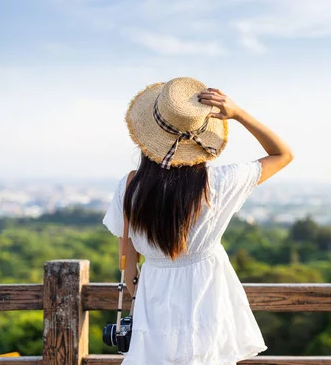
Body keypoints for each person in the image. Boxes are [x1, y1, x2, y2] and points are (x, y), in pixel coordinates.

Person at [102, 77, 293, 364]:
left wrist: (151, 299)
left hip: (153, 306)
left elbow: (128, 267)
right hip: (208, 302)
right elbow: (282, 154)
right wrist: (238, 113)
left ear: (147, 137)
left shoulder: (129, 187)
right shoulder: (218, 183)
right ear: (201, 137)